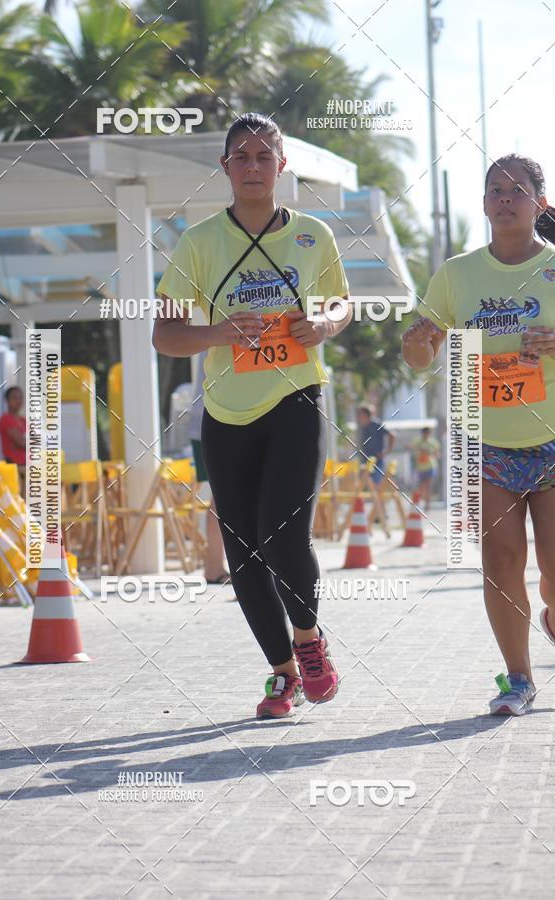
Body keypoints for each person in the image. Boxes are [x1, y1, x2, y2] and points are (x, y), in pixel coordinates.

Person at [153, 112, 352, 718]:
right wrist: (217, 331)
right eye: (242, 156)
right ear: (225, 167)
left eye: (265, 156)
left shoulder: (313, 235)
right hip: (226, 411)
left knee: (283, 532)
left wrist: (323, 323)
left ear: (282, 166)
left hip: (296, 398)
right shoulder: (199, 241)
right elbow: (165, 334)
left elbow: (341, 302)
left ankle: (310, 639)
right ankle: (282, 672)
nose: (254, 166)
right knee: (242, 553)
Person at [402, 153, 555, 716]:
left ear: (540, 201)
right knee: (501, 560)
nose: (505, 199)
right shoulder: (458, 274)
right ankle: (518, 679)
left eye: (518, 190)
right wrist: (421, 341)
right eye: (495, 190)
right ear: (485, 203)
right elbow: (418, 353)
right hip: (486, 441)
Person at [187, 351, 231, 585]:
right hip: (213, 418)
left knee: (222, 497)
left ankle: (214, 565)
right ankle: (214, 566)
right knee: (222, 497)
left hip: (210, 418)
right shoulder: (219, 320)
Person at [0, 386, 26, 493]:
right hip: (14, 465)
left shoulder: (23, 420)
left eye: (20, 397)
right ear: (7, 400)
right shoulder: (5, 419)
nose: (18, 400)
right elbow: (21, 443)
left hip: (27, 464)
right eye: (14, 398)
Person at [410, 426, 440, 511]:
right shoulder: (417, 441)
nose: (425, 435)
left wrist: (430, 453)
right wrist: (419, 449)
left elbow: (437, 454)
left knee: (428, 486)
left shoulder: (433, 442)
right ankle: (421, 502)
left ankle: (428, 505)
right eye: (424, 433)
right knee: (421, 487)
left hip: (430, 466)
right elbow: (410, 447)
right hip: (420, 467)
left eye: (427, 433)